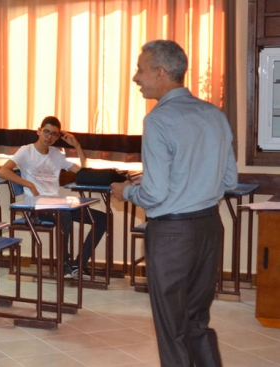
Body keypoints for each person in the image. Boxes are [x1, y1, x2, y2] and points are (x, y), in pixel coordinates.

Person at [111, 40, 235, 367]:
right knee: (197, 322)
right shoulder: (215, 115)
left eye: (141, 69)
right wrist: (194, 188)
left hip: (171, 235)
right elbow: (229, 181)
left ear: (161, 72)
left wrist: (126, 193)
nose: (136, 78)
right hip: (209, 227)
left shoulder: (158, 120)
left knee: (171, 329)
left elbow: (154, 194)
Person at [0, 116, 107, 278]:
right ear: (39, 131)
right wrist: (30, 185)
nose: (49, 137)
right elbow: (2, 172)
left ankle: (79, 264)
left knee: (101, 219)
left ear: (58, 137)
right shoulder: (26, 151)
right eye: (46, 132)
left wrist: (77, 146)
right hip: (36, 206)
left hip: (57, 203)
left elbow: (84, 174)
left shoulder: (57, 154)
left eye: (54, 134)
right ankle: (63, 265)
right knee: (65, 216)